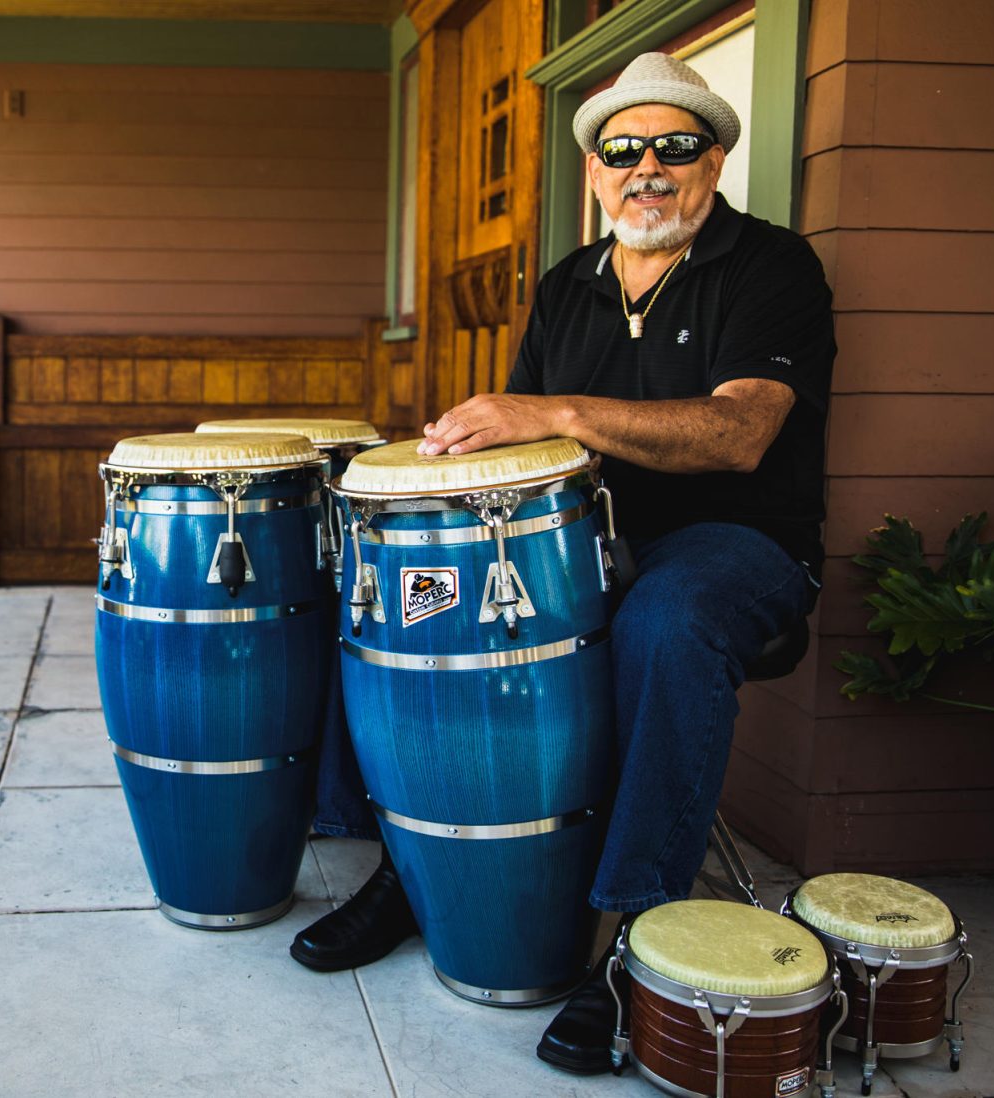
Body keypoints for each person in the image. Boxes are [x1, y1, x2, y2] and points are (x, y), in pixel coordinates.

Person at [290, 50, 835, 1074]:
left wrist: (552, 411)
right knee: (404, 594)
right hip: (582, 539)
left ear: (714, 160)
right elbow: (533, 450)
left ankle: (638, 939)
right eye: (623, 150)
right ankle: (414, 869)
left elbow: (740, 435)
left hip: (736, 546)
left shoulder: (772, 268)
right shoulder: (567, 287)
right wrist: (445, 473)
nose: (649, 169)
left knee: (663, 624)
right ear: (596, 174)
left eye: (676, 146)